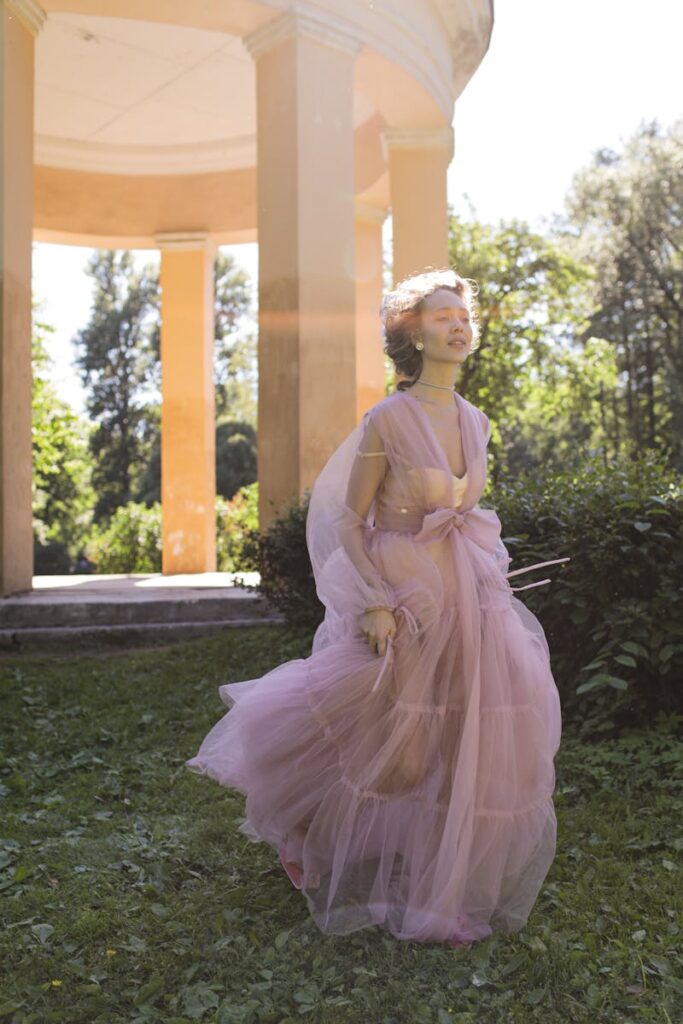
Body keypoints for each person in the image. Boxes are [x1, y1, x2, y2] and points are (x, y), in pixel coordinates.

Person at [186, 266, 570, 947]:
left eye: (464, 316)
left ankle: (437, 886)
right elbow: (346, 521)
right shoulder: (387, 418)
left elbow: (467, 511)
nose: (458, 325)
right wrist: (372, 600)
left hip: (468, 591)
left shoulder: (477, 422)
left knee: (466, 738)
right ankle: (307, 831)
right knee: (395, 738)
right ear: (412, 334)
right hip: (402, 589)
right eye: (441, 316)